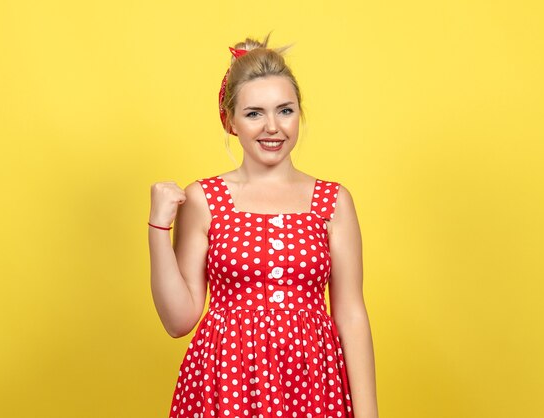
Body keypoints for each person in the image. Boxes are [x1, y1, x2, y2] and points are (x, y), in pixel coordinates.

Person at [148, 34, 379, 418]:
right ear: (230, 121)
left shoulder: (333, 202)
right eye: (254, 113)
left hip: (313, 384)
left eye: (284, 111)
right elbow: (179, 320)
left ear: (298, 113)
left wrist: (368, 414)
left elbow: (351, 315)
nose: (273, 127)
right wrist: (158, 228)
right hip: (225, 383)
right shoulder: (204, 200)